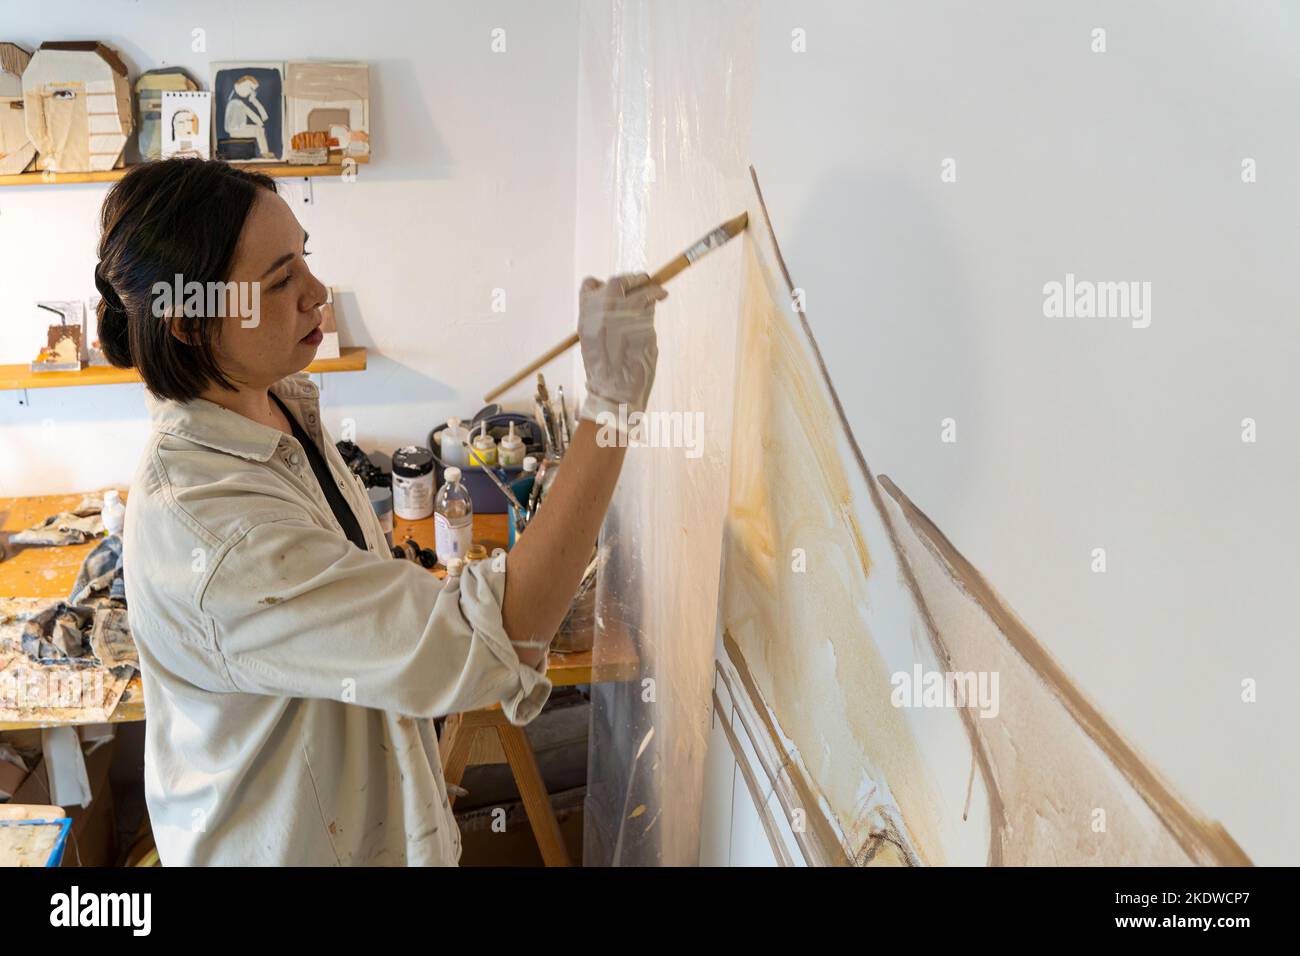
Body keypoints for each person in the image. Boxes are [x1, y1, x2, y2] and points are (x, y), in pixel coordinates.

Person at [92, 158, 665, 864]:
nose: (316, 292)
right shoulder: (215, 533)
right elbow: (492, 640)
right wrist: (608, 412)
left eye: (304, 257)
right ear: (186, 323)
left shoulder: (275, 404)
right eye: (278, 281)